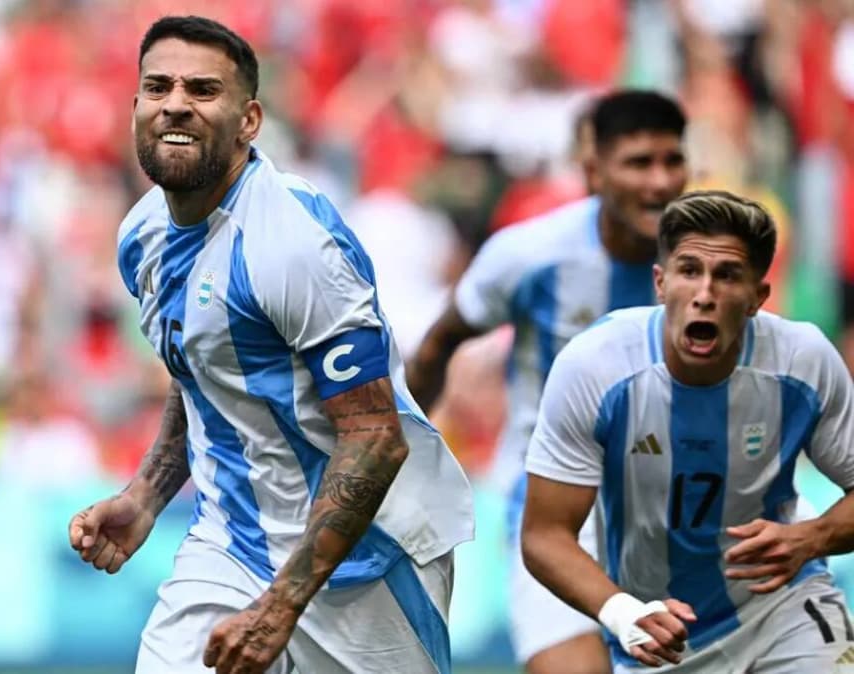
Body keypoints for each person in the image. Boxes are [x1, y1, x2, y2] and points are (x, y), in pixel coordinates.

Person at [67, 16, 473, 674]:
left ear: (249, 120)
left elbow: (375, 436)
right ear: (136, 105)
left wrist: (282, 606)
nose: (175, 104)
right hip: (229, 547)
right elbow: (203, 369)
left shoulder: (294, 243)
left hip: (366, 565)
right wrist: (145, 496)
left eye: (203, 90)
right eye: (158, 87)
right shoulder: (142, 236)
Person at [406, 90, 688, 674]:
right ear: (593, 171)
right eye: (639, 163)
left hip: (676, 517)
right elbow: (439, 343)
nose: (659, 182)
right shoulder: (531, 255)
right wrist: (397, 454)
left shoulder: (707, 261)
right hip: (555, 518)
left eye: (672, 160)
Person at [522, 190, 854, 672]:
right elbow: (544, 535)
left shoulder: (803, 361)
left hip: (781, 611)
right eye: (689, 271)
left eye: (728, 275)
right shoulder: (596, 366)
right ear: (660, 283)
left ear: (758, 298)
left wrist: (813, 537)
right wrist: (622, 612)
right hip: (662, 633)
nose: (704, 294)